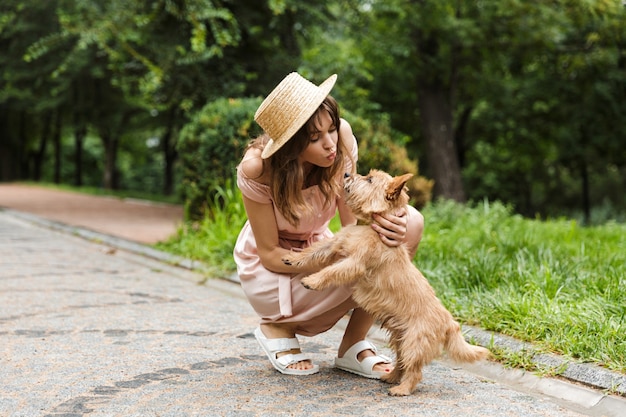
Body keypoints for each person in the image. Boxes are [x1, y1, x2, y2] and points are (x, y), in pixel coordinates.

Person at [233, 72, 424, 377]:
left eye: (331, 129)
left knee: (412, 222)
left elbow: (353, 222)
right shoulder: (258, 168)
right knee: (360, 261)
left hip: (321, 246)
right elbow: (269, 253)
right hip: (273, 269)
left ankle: (353, 343)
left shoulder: (342, 140)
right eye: (313, 138)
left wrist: (392, 225)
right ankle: (278, 325)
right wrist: (338, 257)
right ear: (291, 144)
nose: (329, 144)